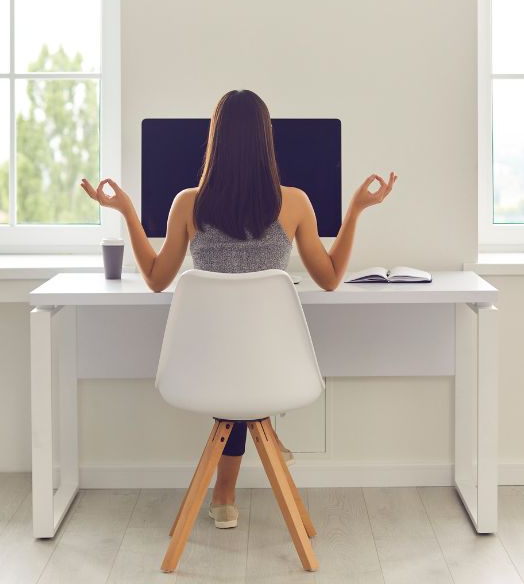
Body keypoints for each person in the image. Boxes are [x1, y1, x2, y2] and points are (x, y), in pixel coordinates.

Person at [81, 89, 397, 529]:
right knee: (248, 373)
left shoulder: (187, 204)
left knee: (234, 371)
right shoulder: (296, 203)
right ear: (266, 141)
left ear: (215, 140)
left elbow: (155, 280)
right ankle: (260, 430)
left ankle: (225, 493)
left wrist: (127, 212)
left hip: (206, 364)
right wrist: (356, 212)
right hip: (272, 366)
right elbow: (328, 278)